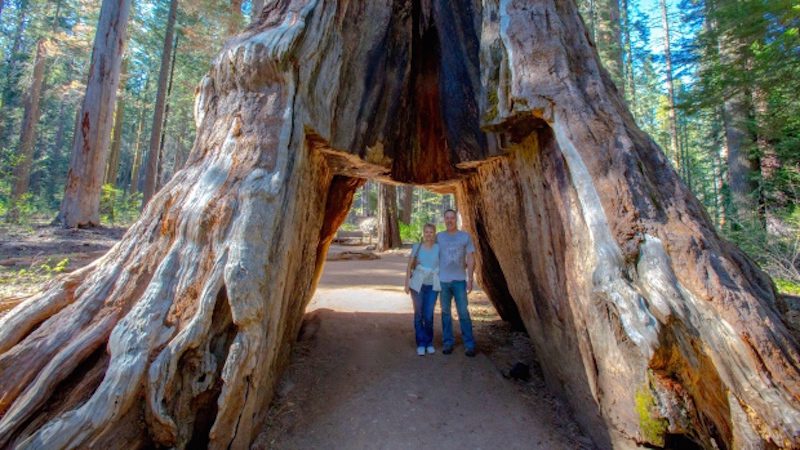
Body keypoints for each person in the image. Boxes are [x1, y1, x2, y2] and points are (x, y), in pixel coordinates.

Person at [437, 209, 477, 357]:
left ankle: (469, 344)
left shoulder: (465, 237)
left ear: (456, 219)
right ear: (444, 220)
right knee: (445, 312)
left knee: (463, 312)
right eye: (447, 218)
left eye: (452, 218)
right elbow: (431, 253)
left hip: (460, 280)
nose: (449, 220)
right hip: (443, 281)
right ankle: (448, 342)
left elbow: (471, 258)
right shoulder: (439, 237)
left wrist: (470, 278)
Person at [404, 223, 440, 356]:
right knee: (418, 314)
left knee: (428, 315)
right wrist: (406, 283)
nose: (428, 234)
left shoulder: (438, 248)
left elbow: (444, 263)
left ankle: (429, 342)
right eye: (426, 232)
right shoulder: (416, 246)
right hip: (417, 285)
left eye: (431, 232)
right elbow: (409, 265)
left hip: (432, 285)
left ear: (434, 233)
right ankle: (421, 343)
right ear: (423, 233)